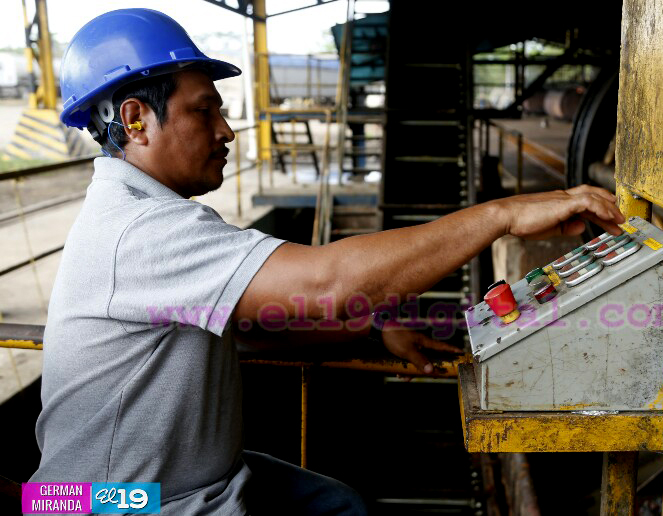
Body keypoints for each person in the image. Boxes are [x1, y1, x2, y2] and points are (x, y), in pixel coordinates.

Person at [31, 8, 624, 516]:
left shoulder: (139, 211)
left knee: (338, 505)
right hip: (115, 502)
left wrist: (368, 328)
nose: (228, 130)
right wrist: (501, 215)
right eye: (204, 111)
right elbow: (329, 281)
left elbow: (245, 324)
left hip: (158, 485)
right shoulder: (140, 230)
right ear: (135, 120)